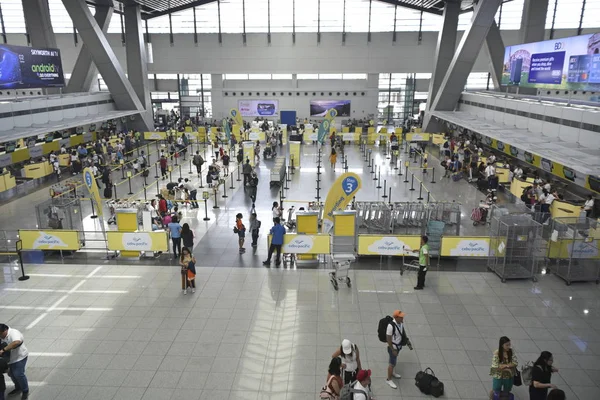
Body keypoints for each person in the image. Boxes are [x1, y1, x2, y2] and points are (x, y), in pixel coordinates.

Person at [0, 323, 29, 399]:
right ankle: (18, 387)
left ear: (4, 331)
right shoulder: (1, 335)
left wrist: (4, 349)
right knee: (11, 374)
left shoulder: (13, 333)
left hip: (19, 357)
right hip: (8, 359)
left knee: (18, 374)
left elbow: (16, 342)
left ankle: (25, 390)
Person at [385, 310, 408, 389]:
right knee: (391, 364)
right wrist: (393, 350)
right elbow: (388, 339)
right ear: (396, 317)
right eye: (401, 317)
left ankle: (393, 373)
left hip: (398, 346)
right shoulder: (391, 326)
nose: (402, 318)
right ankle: (389, 379)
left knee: (394, 361)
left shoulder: (400, 323)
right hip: (393, 348)